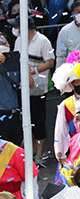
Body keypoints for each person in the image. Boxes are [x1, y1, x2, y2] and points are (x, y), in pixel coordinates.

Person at [10, 14, 54, 166]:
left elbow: (50, 62)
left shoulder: (43, 41)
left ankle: (40, 153)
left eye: (17, 26)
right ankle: (30, 149)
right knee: (25, 119)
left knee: (38, 120)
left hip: (38, 89)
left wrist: (34, 71)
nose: (15, 29)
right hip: (21, 86)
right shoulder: (18, 40)